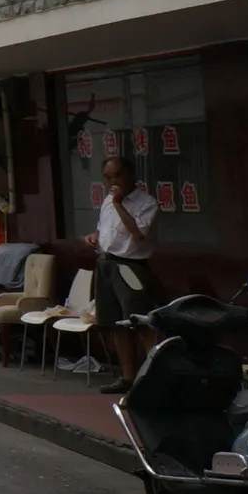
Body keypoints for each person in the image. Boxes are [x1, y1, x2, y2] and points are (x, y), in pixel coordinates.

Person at [86, 155, 159, 395]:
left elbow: (138, 234)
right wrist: (95, 236)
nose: (112, 182)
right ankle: (127, 377)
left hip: (131, 265)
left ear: (129, 175)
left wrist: (119, 204)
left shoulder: (145, 202)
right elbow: (106, 228)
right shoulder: (108, 200)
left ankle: (156, 376)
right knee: (116, 323)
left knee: (140, 322)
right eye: (107, 177)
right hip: (106, 263)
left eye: (117, 175)